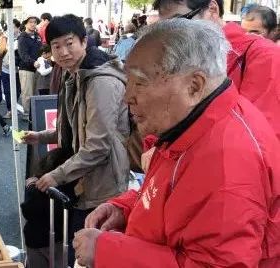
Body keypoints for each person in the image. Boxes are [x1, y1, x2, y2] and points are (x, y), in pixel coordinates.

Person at [76, 18, 280, 267]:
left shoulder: (227, 162)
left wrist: (106, 251)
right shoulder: (194, 123)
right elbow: (177, 195)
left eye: (140, 82)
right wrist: (126, 207)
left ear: (194, 85)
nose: (127, 97)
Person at [23, 14, 130, 265]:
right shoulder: (75, 76)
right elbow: (72, 130)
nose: (63, 52)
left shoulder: (99, 81)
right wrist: (41, 135)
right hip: (81, 180)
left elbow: (98, 145)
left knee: (90, 256)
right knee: (77, 251)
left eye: (69, 43)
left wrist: (56, 175)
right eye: (56, 46)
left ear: (83, 42)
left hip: (101, 185)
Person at [152, 0, 280, 140]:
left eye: (179, 22)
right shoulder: (185, 58)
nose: (173, 36)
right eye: (166, 28)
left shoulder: (263, 55)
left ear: (212, 10)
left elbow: (259, 137)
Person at [22, 147, 76, 268]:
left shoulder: (39, 189)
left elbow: (28, 210)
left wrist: (31, 187)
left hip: (37, 241)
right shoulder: (72, 190)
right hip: (61, 239)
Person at [0, 24, 22, 119]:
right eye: (12, 27)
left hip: (18, 69)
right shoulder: (4, 38)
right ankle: (10, 110)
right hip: (6, 69)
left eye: (15, 27)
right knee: (8, 91)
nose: (14, 29)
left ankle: (13, 108)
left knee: (18, 90)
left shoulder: (20, 37)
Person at [17, 15, 42, 121]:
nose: (33, 24)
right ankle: (27, 114)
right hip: (26, 68)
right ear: (26, 24)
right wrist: (33, 62)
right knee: (27, 93)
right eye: (30, 22)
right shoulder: (22, 37)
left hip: (38, 68)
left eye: (35, 22)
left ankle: (34, 113)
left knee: (36, 92)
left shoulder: (37, 36)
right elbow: (23, 54)